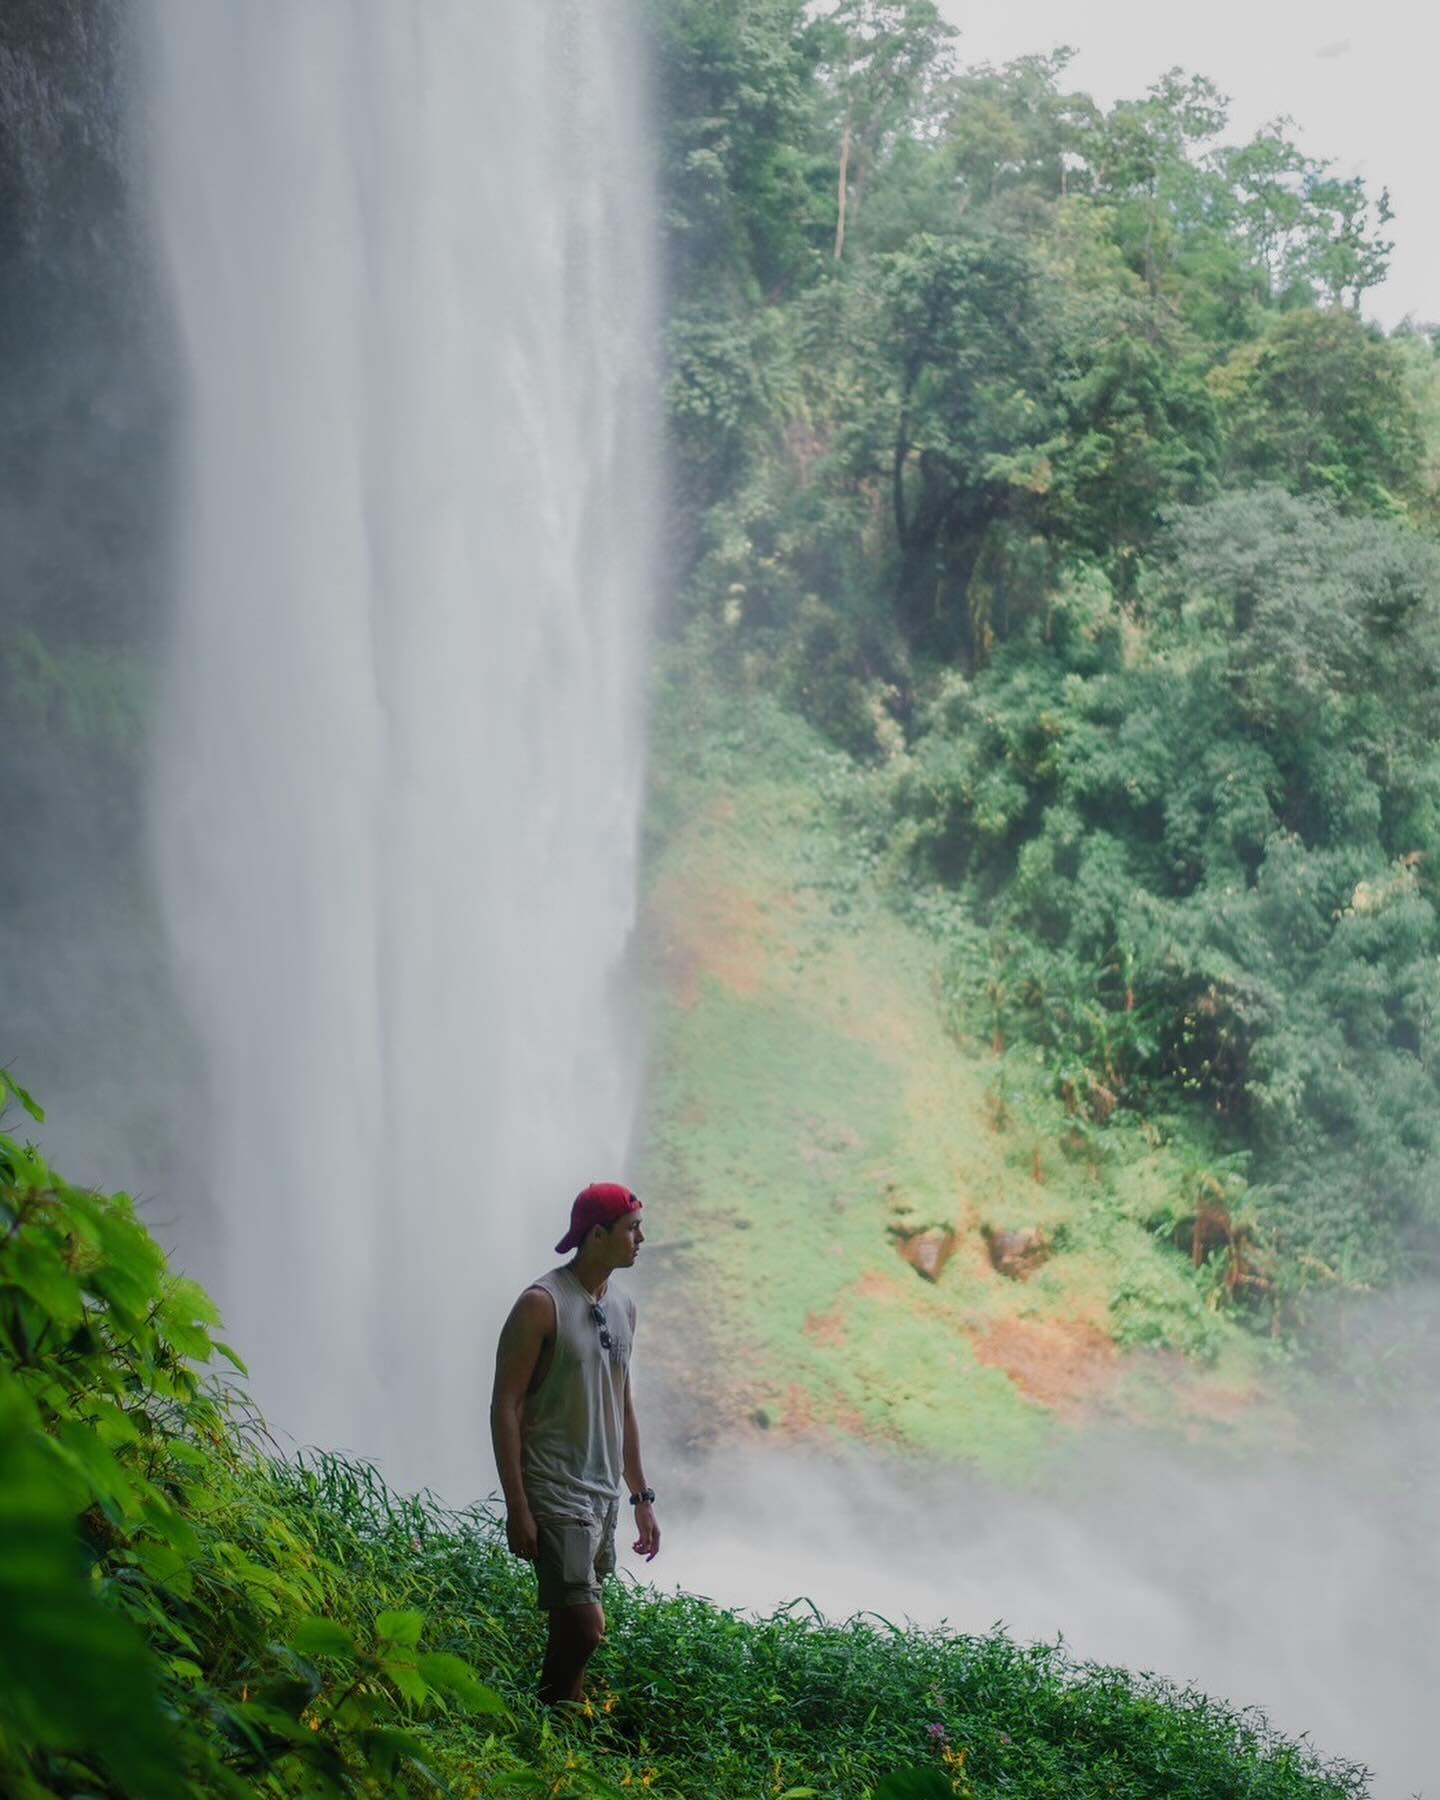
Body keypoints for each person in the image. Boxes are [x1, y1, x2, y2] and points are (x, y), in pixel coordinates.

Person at [490, 1181, 661, 1705]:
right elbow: (505, 1406)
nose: (642, 1238)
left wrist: (641, 1498)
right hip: (554, 1489)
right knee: (586, 1626)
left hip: (602, 1493)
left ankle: (561, 1727)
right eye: (632, 1229)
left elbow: (623, 1404)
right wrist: (517, 1505)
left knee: (572, 1626)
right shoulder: (540, 1305)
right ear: (597, 1235)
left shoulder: (624, 1308)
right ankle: (551, 1716)